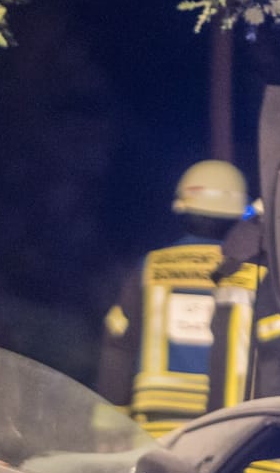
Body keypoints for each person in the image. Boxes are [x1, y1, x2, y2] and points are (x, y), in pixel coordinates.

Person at [96, 160, 263, 439]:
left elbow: (118, 347)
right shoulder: (253, 273)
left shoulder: (150, 268)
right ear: (239, 215)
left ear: (182, 210)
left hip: (153, 427)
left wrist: (107, 428)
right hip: (229, 429)